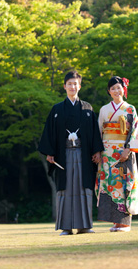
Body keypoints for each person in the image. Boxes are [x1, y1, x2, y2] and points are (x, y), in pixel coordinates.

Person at [38, 71, 104, 235]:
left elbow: (94, 132)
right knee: (65, 189)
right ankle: (66, 227)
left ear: (80, 86)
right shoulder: (57, 109)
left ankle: (85, 226)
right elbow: (50, 132)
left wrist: (97, 151)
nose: (72, 87)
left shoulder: (88, 109)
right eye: (69, 84)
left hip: (83, 154)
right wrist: (50, 152)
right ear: (64, 86)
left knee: (84, 189)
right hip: (63, 155)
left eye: (75, 84)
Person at [95, 76, 138, 232]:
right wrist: (98, 151)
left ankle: (125, 222)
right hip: (107, 153)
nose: (116, 90)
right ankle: (115, 221)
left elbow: (134, 130)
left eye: (118, 87)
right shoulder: (104, 109)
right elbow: (98, 132)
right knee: (110, 184)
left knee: (124, 184)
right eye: (112, 88)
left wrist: (128, 149)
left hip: (124, 151)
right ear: (109, 91)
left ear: (124, 89)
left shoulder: (130, 109)